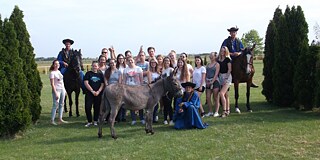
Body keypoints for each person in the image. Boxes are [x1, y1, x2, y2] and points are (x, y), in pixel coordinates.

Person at [123, 57, 145, 125]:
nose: (130, 61)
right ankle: (133, 119)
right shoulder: (125, 70)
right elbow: (124, 80)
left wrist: (141, 88)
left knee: (140, 103)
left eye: (131, 60)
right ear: (127, 62)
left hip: (138, 88)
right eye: (129, 60)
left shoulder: (138, 69)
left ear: (134, 61)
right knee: (131, 103)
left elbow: (141, 80)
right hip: (129, 89)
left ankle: (142, 118)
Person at [84, 61, 105, 127]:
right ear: (91, 66)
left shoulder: (100, 74)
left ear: (98, 67)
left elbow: (102, 84)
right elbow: (86, 83)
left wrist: (98, 91)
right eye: (93, 66)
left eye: (96, 66)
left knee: (97, 107)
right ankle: (89, 121)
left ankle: (95, 121)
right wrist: (92, 91)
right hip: (89, 93)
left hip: (98, 94)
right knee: (88, 107)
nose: (94, 67)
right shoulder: (88, 73)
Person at [49, 60, 68, 125]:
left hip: (62, 89)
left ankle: (60, 118)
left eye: (58, 64)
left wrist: (64, 90)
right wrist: (56, 93)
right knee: (55, 105)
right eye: (56, 64)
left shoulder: (59, 72)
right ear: (53, 65)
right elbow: (52, 84)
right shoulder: (52, 73)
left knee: (62, 104)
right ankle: (52, 120)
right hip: (57, 90)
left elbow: (62, 82)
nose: (57, 65)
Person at [205, 52, 221, 117]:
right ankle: (210, 111)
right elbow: (206, 73)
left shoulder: (217, 64)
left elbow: (216, 74)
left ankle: (216, 112)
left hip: (215, 81)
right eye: (210, 56)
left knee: (215, 97)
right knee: (208, 97)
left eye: (212, 56)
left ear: (215, 57)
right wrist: (206, 81)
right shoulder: (208, 64)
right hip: (208, 82)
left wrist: (212, 81)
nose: (211, 57)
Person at [218, 46, 232, 116]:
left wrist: (226, 78)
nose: (222, 52)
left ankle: (224, 111)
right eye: (221, 51)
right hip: (221, 76)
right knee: (226, 95)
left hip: (227, 77)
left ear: (226, 51)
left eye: (224, 51)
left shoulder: (227, 59)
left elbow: (229, 69)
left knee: (221, 93)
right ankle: (228, 110)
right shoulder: (219, 59)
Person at [161, 56, 175, 125]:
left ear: (170, 62)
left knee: (169, 104)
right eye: (165, 61)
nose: (167, 62)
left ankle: (171, 119)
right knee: (165, 105)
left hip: (170, 91)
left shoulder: (171, 70)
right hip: (163, 90)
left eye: (168, 61)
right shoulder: (163, 70)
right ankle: (165, 119)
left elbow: (172, 80)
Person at [147, 57, 161, 123]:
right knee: (152, 104)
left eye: (154, 62)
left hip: (158, 90)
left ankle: (155, 117)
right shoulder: (149, 72)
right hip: (152, 90)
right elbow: (150, 82)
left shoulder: (159, 72)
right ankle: (151, 118)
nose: (153, 64)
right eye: (152, 63)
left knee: (156, 105)